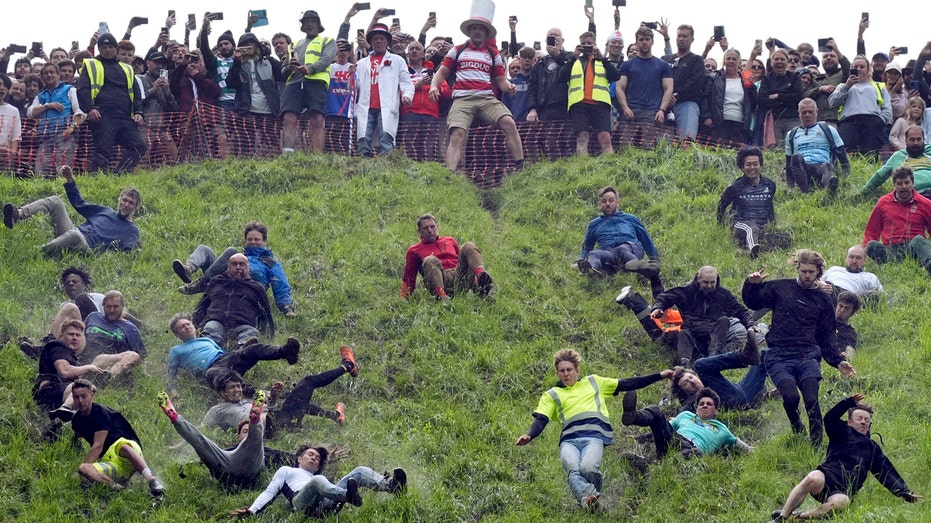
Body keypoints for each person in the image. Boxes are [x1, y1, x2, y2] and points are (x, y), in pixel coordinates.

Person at [515, 349, 673, 511]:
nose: (566, 374)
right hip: (569, 440)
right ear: (557, 374)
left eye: (569, 370)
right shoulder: (552, 394)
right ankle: (592, 500)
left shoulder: (594, 382)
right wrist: (529, 435)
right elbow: (541, 419)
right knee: (573, 470)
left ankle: (591, 501)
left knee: (588, 469)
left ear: (577, 371)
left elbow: (627, 383)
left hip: (594, 436)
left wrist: (659, 375)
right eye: (562, 371)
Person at [742, 250, 856, 446]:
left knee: (812, 400)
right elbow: (752, 301)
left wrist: (838, 361)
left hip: (807, 355)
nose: (807, 276)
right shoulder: (780, 287)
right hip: (778, 354)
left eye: (811, 272)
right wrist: (751, 285)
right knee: (791, 396)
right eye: (803, 271)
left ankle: (816, 445)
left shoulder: (823, 300)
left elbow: (827, 336)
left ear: (818, 272)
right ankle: (796, 425)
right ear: (797, 269)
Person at [768, 394, 921, 522]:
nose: (863, 422)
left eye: (867, 420)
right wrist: (848, 403)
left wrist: (904, 492)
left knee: (841, 503)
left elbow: (886, 473)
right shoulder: (841, 431)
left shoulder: (873, 448)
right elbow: (829, 418)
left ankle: (799, 517)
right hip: (826, 476)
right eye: (859, 418)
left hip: (844, 490)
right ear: (849, 422)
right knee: (812, 477)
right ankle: (782, 517)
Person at [429, 1, 524, 172]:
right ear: (470, 31)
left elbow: (501, 80)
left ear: (486, 32)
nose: (477, 31)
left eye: (481, 28)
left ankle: (521, 167)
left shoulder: (492, 53)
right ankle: (449, 175)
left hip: (486, 98)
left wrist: (509, 86)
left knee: (509, 123)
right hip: (462, 99)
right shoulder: (457, 50)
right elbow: (442, 72)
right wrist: (433, 87)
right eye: (474, 28)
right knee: (457, 134)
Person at [229, 445, 407, 518]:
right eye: (310, 455)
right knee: (319, 482)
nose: (314, 459)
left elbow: (323, 485)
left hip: (325, 503)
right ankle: (347, 496)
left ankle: (392, 486)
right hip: (301, 502)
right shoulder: (287, 470)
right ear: (299, 459)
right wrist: (252, 510)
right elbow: (270, 491)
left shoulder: (318, 477)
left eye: (317, 458)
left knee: (360, 471)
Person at [3, 166, 140, 256]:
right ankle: (17, 214)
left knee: (75, 235)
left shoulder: (131, 230)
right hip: (72, 232)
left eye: (131, 203)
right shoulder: (106, 211)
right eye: (124, 200)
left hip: (87, 247)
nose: (126, 205)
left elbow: (132, 251)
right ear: (119, 199)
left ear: (135, 207)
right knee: (55, 201)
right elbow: (80, 204)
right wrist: (69, 179)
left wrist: (137, 250)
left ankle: (36, 253)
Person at [173, 222, 296, 317]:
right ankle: (188, 270)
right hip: (226, 278)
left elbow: (280, 283)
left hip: (247, 285)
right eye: (249, 239)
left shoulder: (270, 262)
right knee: (205, 250)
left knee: (232, 252)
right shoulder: (239, 258)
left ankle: (201, 284)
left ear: (264, 241)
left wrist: (286, 306)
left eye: (257, 239)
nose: (253, 242)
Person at [165, 312, 298, 398]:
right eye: (182, 327)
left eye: (188, 324)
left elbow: (225, 354)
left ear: (194, 326)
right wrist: (173, 390)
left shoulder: (206, 340)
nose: (187, 327)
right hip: (210, 369)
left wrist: (241, 353)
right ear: (177, 334)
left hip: (225, 359)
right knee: (218, 374)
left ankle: (286, 352)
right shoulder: (176, 350)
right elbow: (171, 372)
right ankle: (266, 395)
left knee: (252, 349)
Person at [68, 379, 165, 496]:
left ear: (91, 395)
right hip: (109, 461)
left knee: (123, 446)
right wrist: (82, 469)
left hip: (127, 451)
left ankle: (152, 481)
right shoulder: (77, 420)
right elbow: (77, 437)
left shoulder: (100, 412)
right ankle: (120, 489)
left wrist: (80, 473)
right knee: (84, 468)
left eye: (83, 396)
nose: (80, 401)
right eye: (76, 397)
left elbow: (98, 446)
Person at [646, 266, 754, 366]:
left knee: (724, 321)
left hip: (712, 335)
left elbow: (740, 310)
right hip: (691, 333)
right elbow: (664, 298)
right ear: (698, 279)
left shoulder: (723, 294)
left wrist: (750, 325)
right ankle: (685, 364)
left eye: (712, 282)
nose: (709, 286)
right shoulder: (686, 291)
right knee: (683, 333)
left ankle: (713, 357)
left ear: (717, 280)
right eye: (705, 282)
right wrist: (657, 308)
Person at [158, 389, 268, 487]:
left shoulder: (262, 449)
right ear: (237, 436)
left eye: (249, 430)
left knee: (255, 438)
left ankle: (255, 420)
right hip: (228, 467)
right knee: (201, 442)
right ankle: (176, 419)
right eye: (245, 431)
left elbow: (280, 455)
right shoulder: (229, 450)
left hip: (252, 468)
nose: (247, 433)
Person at [75, 33, 147, 174]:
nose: (107, 50)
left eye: (110, 47)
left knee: (139, 146)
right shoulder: (90, 64)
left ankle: (120, 174)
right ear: (99, 49)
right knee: (103, 150)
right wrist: (89, 109)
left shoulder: (127, 68)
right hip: (102, 115)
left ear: (115, 48)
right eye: (103, 47)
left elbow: (136, 93)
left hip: (125, 117)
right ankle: (97, 181)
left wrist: (138, 112)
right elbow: (82, 89)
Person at [620, 386, 753, 460]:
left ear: (716, 411)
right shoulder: (685, 415)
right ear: (696, 408)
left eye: (709, 404)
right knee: (655, 410)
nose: (704, 406)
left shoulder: (721, 429)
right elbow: (663, 429)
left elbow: (744, 447)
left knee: (695, 453)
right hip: (674, 441)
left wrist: (757, 451)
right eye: (701, 404)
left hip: (692, 449)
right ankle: (633, 416)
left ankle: (649, 464)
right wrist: (638, 439)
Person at [575, 186, 663, 295]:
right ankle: (592, 271)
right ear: (599, 204)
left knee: (621, 250)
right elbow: (587, 247)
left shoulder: (630, 218)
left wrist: (655, 259)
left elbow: (646, 240)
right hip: (610, 254)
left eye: (611, 200)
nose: (608, 204)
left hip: (631, 248)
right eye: (604, 201)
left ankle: (642, 269)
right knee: (594, 253)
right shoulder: (594, 224)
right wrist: (580, 260)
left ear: (618, 202)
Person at [400, 213, 493, 300]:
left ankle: (481, 280)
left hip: (459, 276)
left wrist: (475, 282)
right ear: (419, 231)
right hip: (440, 280)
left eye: (432, 226)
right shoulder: (414, 250)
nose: (430, 230)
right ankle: (442, 298)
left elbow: (465, 261)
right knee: (429, 259)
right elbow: (409, 278)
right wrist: (403, 299)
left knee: (468, 246)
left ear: (437, 227)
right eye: (425, 228)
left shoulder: (450, 240)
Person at [355, 23, 414, 157]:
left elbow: (406, 82)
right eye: (375, 39)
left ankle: (386, 170)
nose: (378, 41)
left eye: (382, 38)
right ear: (370, 42)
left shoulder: (397, 60)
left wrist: (407, 95)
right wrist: (351, 76)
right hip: (366, 105)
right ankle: (362, 167)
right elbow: (355, 86)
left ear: (387, 42)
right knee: (363, 138)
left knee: (386, 138)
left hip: (386, 106)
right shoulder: (361, 63)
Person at [280, 10, 335, 154]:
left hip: (316, 82)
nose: (309, 24)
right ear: (302, 26)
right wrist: (289, 67)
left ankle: (316, 156)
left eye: (312, 21)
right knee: (288, 118)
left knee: (317, 119)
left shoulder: (327, 41)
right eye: (306, 22)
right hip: (294, 83)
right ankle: (288, 156)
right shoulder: (294, 44)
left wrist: (310, 69)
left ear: (318, 24)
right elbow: (283, 70)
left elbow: (326, 59)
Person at [192, 254, 275, 346]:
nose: (238, 267)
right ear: (228, 266)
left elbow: (265, 314)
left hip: (243, 325)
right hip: (216, 322)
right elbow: (202, 305)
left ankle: (241, 354)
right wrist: (194, 325)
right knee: (210, 334)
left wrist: (268, 337)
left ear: (248, 267)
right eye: (234, 264)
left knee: (250, 337)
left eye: (242, 264)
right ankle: (212, 354)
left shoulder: (256, 287)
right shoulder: (216, 281)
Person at [862, 166, 931, 274]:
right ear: (894, 185)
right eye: (899, 183)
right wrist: (862, 252)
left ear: (913, 183)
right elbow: (872, 230)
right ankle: (892, 264)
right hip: (890, 249)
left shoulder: (925, 204)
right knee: (871, 245)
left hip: (913, 247)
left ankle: (928, 266)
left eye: (907, 183)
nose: (903, 187)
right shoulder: (883, 202)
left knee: (919, 240)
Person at [562, 31, 620, 156]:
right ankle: (583, 167)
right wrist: (573, 57)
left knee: (605, 137)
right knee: (582, 138)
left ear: (595, 45)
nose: (586, 46)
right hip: (579, 103)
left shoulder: (602, 61)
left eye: (590, 44)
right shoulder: (574, 61)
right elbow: (561, 77)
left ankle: (610, 166)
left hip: (600, 103)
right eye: (583, 44)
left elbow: (616, 76)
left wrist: (603, 58)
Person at [717, 147, 780, 258]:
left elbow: (770, 206)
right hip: (741, 223)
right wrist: (721, 226)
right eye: (748, 165)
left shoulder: (770, 185)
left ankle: (761, 247)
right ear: (742, 167)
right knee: (751, 228)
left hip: (762, 224)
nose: (752, 168)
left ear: (761, 165)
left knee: (783, 236)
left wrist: (773, 224)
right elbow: (721, 206)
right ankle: (753, 250)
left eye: (755, 164)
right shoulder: (735, 187)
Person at [27, 62, 85, 177]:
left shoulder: (70, 90)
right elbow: (30, 113)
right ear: (42, 77)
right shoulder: (40, 96)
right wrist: (47, 106)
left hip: (64, 135)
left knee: (63, 168)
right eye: (45, 73)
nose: (49, 75)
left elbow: (80, 113)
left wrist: (71, 128)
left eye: (52, 72)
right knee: (41, 169)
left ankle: (65, 191)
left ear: (58, 74)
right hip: (44, 136)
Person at [828, 55, 892, 157]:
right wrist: (846, 86)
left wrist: (879, 121)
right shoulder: (842, 86)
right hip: (848, 123)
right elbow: (832, 102)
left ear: (868, 69)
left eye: (862, 67)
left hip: (873, 122)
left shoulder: (879, 86)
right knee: (846, 155)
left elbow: (887, 108)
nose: (858, 69)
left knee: (870, 156)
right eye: (855, 67)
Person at [784, 98, 850, 193]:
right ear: (799, 113)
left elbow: (842, 156)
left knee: (827, 165)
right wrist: (790, 187)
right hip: (803, 170)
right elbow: (788, 163)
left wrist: (846, 179)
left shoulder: (829, 130)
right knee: (795, 157)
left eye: (810, 112)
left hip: (822, 169)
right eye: (804, 112)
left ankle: (827, 188)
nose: (807, 115)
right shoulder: (791, 134)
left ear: (817, 111)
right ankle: (805, 191)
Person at [616, 27, 674, 126]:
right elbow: (619, 87)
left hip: (652, 113)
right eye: (641, 39)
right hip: (630, 112)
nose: (644, 42)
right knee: (625, 142)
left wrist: (661, 110)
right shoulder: (626, 65)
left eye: (647, 39)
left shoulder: (662, 65)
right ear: (636, 42)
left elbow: (668, 88)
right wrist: (625, 108)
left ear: (652, 41)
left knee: (648, 142)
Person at [662, 24, 706, 139]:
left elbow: (695, 83)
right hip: (665, 106)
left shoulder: (696, 60)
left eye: (685, 36)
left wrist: (676, 96)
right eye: (679, 36)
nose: (681, 39)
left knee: (686, 142)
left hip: (687, 105)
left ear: (692, 39)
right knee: (664, 144)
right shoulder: (665, 59)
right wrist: (666, 97)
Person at [81, 290, 144, 371]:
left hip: (111, 362)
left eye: (115, 307)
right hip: (86, 357)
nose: (112, 310)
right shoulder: (93, 317)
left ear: (122, 306)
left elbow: (140, 357)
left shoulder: (131, 329)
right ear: (103, 306)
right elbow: (79, 334)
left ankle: (109, 376)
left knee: (133, 355)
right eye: (108, 306)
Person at [860, 126, 931, 197]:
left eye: (919, 139)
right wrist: (861, 194)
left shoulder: (929, 152)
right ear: (906, 141)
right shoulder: (898, 156)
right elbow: (879, 176)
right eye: (912, 140)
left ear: (923, 140)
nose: (916, 143)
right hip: (914, 194)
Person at [704, 48, 755, 146]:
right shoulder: (714, 77)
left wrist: (752, 87)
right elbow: (705, 97)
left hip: (740, 124)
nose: (731, 61)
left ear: (739, 62)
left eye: (734, 59)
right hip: (719, 123)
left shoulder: (744, 80)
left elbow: (753, 103)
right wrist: (706, 116)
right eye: (728, 58)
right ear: (724, 61)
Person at [759, 49, 804, 144]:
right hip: (774, 120)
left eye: (782, 59)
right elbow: (763, 100)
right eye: (776, 59)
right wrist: (786, 98)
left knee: (793, 146)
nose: (779, 62)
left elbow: (798, 97)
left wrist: (778, 96)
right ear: (772, 62)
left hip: (793, 118)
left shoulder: (795, 76)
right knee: (776, 149)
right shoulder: (767, 78)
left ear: (787, 62)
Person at [526, 28, 570, 124]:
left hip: (565, 108)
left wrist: (558, 56)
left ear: (562, 40)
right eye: (550, 35)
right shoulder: (540, 63)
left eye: (556, 35)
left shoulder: (571, 57)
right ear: (546, 41)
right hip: (544, 109)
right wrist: (532, 109)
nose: (553, 37)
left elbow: (569, 72)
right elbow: (532, 88)